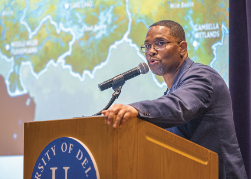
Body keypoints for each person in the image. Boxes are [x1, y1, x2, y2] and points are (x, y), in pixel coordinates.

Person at [102, 20, 247, 179]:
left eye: (160, 43)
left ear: (182, 48)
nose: (151, 51)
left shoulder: (202, 76)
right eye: (148, 46)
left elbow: (179, 106)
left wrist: (137, 109)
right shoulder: (172, 90)